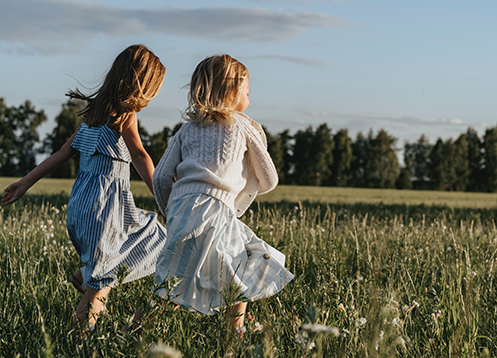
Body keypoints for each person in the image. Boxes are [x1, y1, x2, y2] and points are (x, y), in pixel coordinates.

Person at [1, 44, 167, 330]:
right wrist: (164, 199)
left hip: (83, 206)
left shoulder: (93, 114)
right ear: (142, 85)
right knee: (104, 281)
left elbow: (62, 153)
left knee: (148, 235)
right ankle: (81, 339)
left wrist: (24, 183)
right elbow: (139, 155)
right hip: (105, 210)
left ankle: (84, 275)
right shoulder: (123, 115)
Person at [152, 54, 293, 333]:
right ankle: (233, 334)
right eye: (247, 92)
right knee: (246, 265)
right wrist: (243, 187)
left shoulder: (186, 129)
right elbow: (270, 178)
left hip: (183, 211)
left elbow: (159, 177)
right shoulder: (242, 125)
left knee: (173, 282)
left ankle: (137, 334)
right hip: (216, 211)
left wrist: (170, 212)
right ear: (231, 91)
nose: (249, 98)